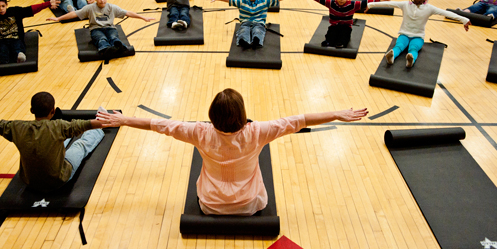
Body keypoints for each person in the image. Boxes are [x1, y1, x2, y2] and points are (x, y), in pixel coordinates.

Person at [96, 88, 368, 215]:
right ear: (243, 116)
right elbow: (300, 120)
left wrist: (122, 120)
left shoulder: (199, 132)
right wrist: (337, 113)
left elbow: (160, 125)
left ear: (211, 116)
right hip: (251, 205)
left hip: (210, 206)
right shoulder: (258, 131)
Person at [0, 92, 105, 192]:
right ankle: (99, 132)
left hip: (30, 182)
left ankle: (68, 137)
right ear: (53, 111)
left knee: (61, 137)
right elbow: (87, 124)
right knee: (80, 145)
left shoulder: (16, 127)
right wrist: (112, 120)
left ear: (31, 111)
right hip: (58, 180)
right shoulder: (59, 125)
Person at [367, 0, 471, 68]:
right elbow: (390, 4)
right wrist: (370, 5)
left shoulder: (429, 8)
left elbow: (446, 13)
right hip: (404, 34)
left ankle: (410, 60)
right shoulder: (405, 4)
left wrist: (464, 20)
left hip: (418, 37)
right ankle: (392, 56)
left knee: (413, 48)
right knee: (398, 46)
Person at [48, 0, 154, 57]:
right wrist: (58, 18)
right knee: (101, 38)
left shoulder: (112, 7)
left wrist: (143, 17)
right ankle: (106, 48)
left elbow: (128, 13)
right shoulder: (89, 8)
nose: (102, 0)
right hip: (96, 29)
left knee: (113, 36)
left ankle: (118, 45)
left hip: (110, 28)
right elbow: (74, 13)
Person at [207, 0, 298, 48]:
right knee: (243, 30)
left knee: (258, 30)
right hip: (246, 22)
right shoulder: (243, 0)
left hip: (259, 23)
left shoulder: (264, 1)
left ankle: (256, 40)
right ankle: (244, 41)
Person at [300, 0, 386, 47]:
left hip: (346, 26)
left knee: (344, 34)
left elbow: (365, 2)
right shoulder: (331, 3)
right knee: (331, 33)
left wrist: (379, 1)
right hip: (334, 26)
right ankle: (328, 41)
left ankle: (341, 43)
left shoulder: (353, 5)